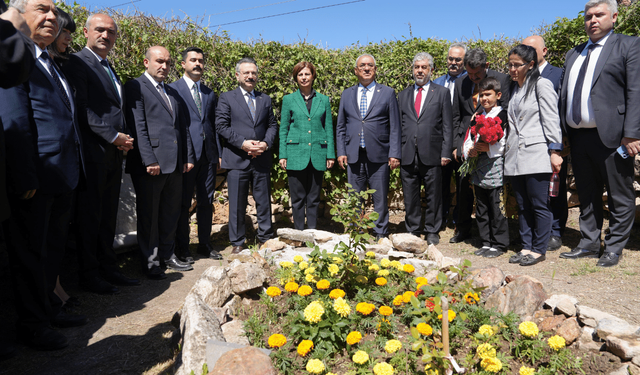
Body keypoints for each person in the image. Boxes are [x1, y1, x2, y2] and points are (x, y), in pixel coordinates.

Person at [1, 0, 88, 351]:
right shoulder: (14, 60)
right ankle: (33, 325)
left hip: (62, 175)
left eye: (55, 11)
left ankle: (49, 307)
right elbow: (15, 119)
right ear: (19, 14)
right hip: (36, 177)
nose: (52, 16)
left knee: (50, 251)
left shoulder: (51, 63)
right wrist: (25, 178)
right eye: (42, 8)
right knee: (30, 255)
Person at [559, 0, 640, 267]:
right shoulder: (575, 52)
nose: (592, 20)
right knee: (587, 192)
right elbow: (565, 94)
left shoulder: (628, 45)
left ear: (614, 17)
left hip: (614, 137)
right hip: (579, 136)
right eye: (588, 16)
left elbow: (635, 92)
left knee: (619, 195)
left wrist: (632, 133)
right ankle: (589, 243)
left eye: (599, 15)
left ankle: (614, 247)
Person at [64, 13, 139, 292]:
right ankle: (89, 275)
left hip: (112, 154)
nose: (105, 35)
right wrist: (113, 136)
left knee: (108, 215)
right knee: (90, 216)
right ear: (85, 32)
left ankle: (108, 268)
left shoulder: (108, 66)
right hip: (93, 152)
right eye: (100, 30)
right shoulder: (77, 62)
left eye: (111, 31)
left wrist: (122, 140)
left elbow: (114, 108)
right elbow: (81, 108)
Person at [124, 46, 195, 279]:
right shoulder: (135, 86)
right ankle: (150, 262)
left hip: (174, 164)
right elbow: (138, 126)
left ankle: (167, 255)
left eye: (167, 62)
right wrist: (149, 159)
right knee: (149, 216)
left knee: (170, 213)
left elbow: (180, 128)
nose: (164, 66)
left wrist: (186, 159)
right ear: (146, 62)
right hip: (151, 165)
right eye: (159, 61)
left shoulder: (171, 92)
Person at [504, 44, 563, 266]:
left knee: (539, 204)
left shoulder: (542, 84)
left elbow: (551, 118)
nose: (512, 69)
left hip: (537, 154)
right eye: (510, 64)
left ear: (530, 64)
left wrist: (555, 150)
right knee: (522, 205)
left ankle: (539, 249)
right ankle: (526, 246)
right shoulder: (514, 89)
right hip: (515, 157)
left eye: (517, 65)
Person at [335, 54, 401, 240]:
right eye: (362, 65)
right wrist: (341, 151)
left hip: (379, 154)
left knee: (379, 198)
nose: (366, 68)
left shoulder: (387, 93)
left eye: (370, 65)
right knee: (355, 197)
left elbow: (395, 126)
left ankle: (381, 234)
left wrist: (394, 153)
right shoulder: (347, 94)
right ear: (356, 70)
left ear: (375, 69)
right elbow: (341, 125)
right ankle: (357, 232)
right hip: (353, 154)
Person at [216, 57, 277, 253]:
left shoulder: (265, 99)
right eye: (246, 73)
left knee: (264, 201)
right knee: (236, 203)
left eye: (253, 73)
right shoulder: (226, 98)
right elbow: (221, 126)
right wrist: (243, 144)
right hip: (237, 159)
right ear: (237, 75)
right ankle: (238, 242)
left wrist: (265, 144)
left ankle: (265, 238)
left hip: (261, 158)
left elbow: (272, 125)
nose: (250, 76)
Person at [450, 48, 511, 244]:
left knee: (492, 196)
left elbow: (506, 112)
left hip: (492, 144)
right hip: (467, 143)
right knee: (463, 187)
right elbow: (457, 116)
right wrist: (457, 145)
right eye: (469, 73)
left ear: (486, 66)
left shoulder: (501, 79)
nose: (473, 77)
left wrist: (490, 140)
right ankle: (463, 228)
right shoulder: (461, 82)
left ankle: (496, 236)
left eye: (477, 73)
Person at [170, 47, 222, 261]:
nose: (197, 64)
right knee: (182, 203)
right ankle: (182, 247)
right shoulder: (173, 89)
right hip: (186, 157)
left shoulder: (209, 93)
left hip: (208, 156)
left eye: (200, 60)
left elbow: (212, 124)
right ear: (183, 64)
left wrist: (217, 153)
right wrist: (183, 155)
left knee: (206, 201)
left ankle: (204, 244)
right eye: (193, 60)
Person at [397, 52, 452, 245]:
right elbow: (397, 126)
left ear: (431, 70)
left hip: (433, 153)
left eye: (424, 67)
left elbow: (447, 125)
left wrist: (446, 152)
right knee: (410, 194)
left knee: (433, 194)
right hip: (408, 153)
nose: (420, 71)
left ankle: (431, 230)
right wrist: (396, 153)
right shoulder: (402, 95)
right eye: (416, 67)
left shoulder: (442, 93)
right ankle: (412, 228)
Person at [522, 35, 567, 253]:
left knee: (555, 188)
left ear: (545, 51)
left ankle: (556, 231)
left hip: (552, 143)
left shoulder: (558, 74)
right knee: (534, 193)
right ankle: (536, 232)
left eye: (531, 48)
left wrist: (559, 142)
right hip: (529, 146)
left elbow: (562, 107)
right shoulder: (519, 77)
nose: (527, 52)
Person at [279, 61, 335, 230]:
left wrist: (330, 154)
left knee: (313, 198)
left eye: (307, 74)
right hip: (295, 153)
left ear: (313, 76)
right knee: (297, 198)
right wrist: (283, 154)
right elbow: (284, 129)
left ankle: (311, 233)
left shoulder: (323, 100)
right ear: (296, 78)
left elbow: (328, 128)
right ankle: (298, 234)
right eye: (300, 74)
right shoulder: (288, 99)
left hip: (318, 153)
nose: (304, 78)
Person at [462, 77, 509, 258]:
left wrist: (489, 147)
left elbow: (506, 142)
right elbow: (469, 138)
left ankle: (499, 243)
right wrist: (470, 151)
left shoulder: (503, 115)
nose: (484, 99)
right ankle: (486, 241)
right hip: (478, 166)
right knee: (481, 206)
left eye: (488, 94)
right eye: (481, 95)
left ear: (498, 95)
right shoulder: (477, 116)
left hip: (495, 164)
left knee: (496, 206)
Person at [434, 43, 467, 231]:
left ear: (464, 61)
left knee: (462, 185)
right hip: (440, 144)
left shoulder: (469, 83)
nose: (453, 63)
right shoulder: (437, 83)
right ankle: (441, 218)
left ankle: (459, 221)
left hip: (462, 142)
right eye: (451, 59)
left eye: (458, 60)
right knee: (440, 184)